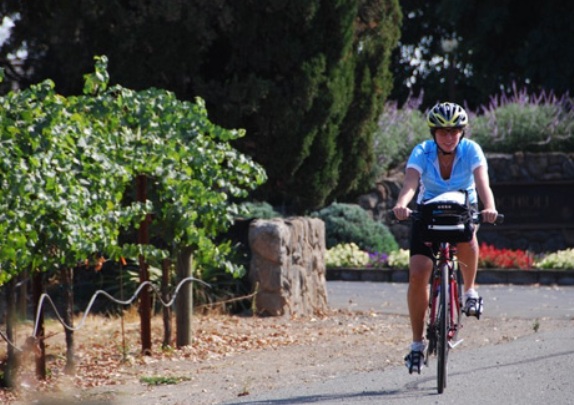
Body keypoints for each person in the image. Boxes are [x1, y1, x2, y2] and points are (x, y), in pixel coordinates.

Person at [392, 102, 498, 374]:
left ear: (462, 132)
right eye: (443, 132)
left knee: (467, 235)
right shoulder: (422, 152)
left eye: (454, 131)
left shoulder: (471, 150)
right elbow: (410, 183)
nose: (449, 137)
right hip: (429, 211)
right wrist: (402, 204)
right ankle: (417, 345)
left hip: (462, 209)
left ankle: (470, 291)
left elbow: (482, 182)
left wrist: (489, 207)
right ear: (434, 134)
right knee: (419, 272)